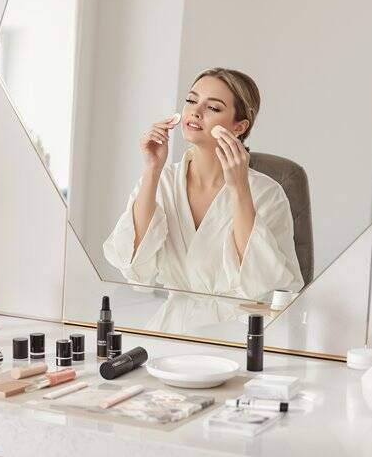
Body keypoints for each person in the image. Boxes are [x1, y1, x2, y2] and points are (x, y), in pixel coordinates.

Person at [102, 68, 303, 300]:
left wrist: (239, 189)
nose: (195, 112)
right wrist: (152, 169)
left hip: (236, 327)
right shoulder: (163, 180)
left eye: (213, 108)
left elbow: (265, 286)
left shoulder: (267, 194)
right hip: (172, 327)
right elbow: (131, 261)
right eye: (191, 100)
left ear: (239, 127)